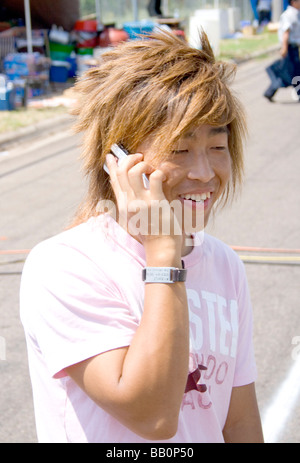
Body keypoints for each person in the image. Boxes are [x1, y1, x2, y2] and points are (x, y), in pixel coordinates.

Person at [20, 31, 264, 444]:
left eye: (217, 146)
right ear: (118, 159)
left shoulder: (225, 265)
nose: (204, 172)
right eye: (179, 151)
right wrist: (164, 254)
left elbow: (237, 422)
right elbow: (152, 417)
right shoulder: (64, 265)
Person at [264, 0, 300, 102]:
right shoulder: (289, 15)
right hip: (289, 48)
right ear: (293, 2)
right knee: (286, 72)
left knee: (296, 72)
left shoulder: (296, 13)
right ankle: (269, 92)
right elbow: (286, 33)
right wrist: (284, 48)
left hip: (294, 48)